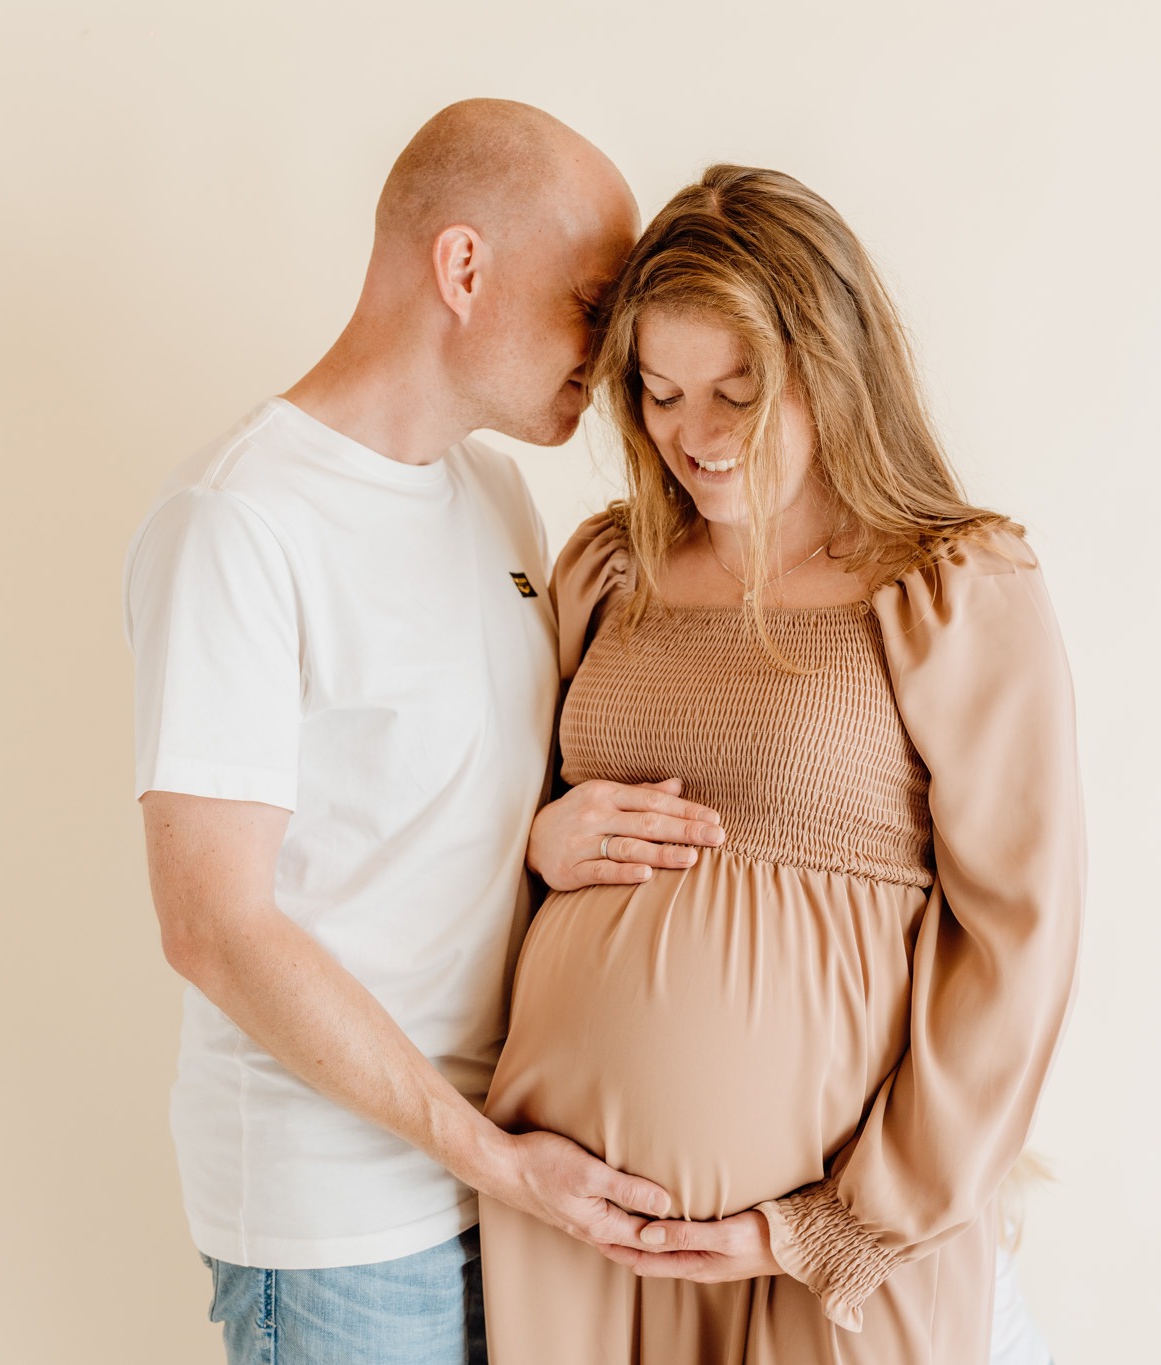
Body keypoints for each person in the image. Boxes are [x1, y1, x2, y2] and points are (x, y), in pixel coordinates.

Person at [123, 100, 727, 1365]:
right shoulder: (239, 523)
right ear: (461, 267)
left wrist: (541, 839)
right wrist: (492, 1160)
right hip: (341, 1222)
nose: (614, 351)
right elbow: (213, 926)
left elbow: (435, 809)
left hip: (504, 1183)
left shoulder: (495, 495)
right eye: (591, 302)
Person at [482, 164, 1087, 1362]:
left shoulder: (948, 589)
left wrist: (834, 1227)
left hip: (821, 1256)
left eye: (737, 392)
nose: (694, 438)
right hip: (577, 1232)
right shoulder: (606, 570)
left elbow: (1018, 939)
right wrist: (535, 840)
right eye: (659, 393)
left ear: (831, 368)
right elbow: (480, 815)